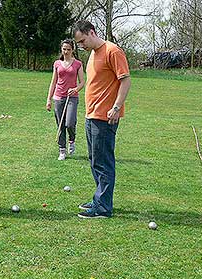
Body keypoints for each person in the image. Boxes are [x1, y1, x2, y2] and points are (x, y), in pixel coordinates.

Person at [73, 20, 131, 218]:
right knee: (94, 159)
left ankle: (103, 208)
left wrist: (116, 107)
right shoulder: (92, 54)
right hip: (91, 114)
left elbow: (125, 80)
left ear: (92, 32)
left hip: (105, 116)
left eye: (83, 41)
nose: (82, 46)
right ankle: (100, 199)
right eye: (79, 43)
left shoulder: (112, 51)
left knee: (103, 161)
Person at [46, 39, 85, 160]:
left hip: (72, 97)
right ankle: (62, 150)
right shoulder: (57, 63)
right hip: (58, 97)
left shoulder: (78, 64)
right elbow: (53, 82)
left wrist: (76, 89)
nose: (66, 51)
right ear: (61, 49)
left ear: (72, 50)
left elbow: (82, 82)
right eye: (64, 49)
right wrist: (49, 100)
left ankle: (72, 140)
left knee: (70, 123)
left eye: (68, 49)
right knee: (60, 125)